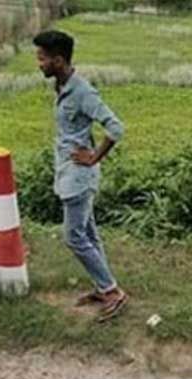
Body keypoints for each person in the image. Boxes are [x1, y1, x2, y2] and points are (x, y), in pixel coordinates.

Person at [33, 30, 128, 322]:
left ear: (59, 60)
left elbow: (116, 128)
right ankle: (103, 286)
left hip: (78, 177)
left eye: (42, 59)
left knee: (74, 237)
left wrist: (94, 155)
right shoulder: (62, 87)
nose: (38, 64)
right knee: (88, 233)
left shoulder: (83, 92)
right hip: (69, 171)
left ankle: (112, 291)